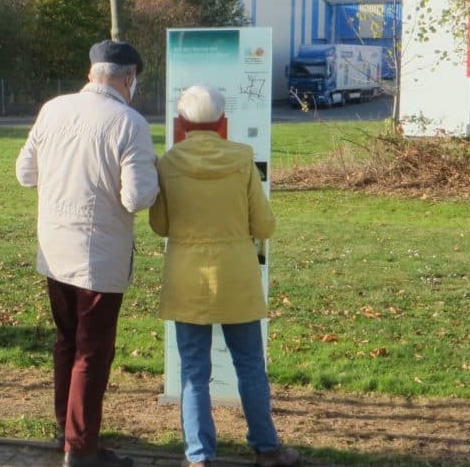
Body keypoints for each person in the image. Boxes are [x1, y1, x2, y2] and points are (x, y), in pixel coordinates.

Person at [16, 40, 159, 467]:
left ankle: (67, 428)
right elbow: (136, 198)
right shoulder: (129, 123)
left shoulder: (53, 109)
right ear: (129, 76)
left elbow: (25, 174)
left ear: (93, 71)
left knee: (66, 342)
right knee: (92, 352)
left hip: (54, 249)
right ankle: (80, 450)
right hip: (98, 256)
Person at [149, 85, 300, 467]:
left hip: (188, 276)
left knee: (194, 371)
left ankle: (199, 457)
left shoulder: (168, 162)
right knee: (250, 364)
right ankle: (267, 449)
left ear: (181, 122)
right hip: (236, 276)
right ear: (221, 121)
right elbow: (264, 226)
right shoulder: (242, 158)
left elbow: (159, 225)